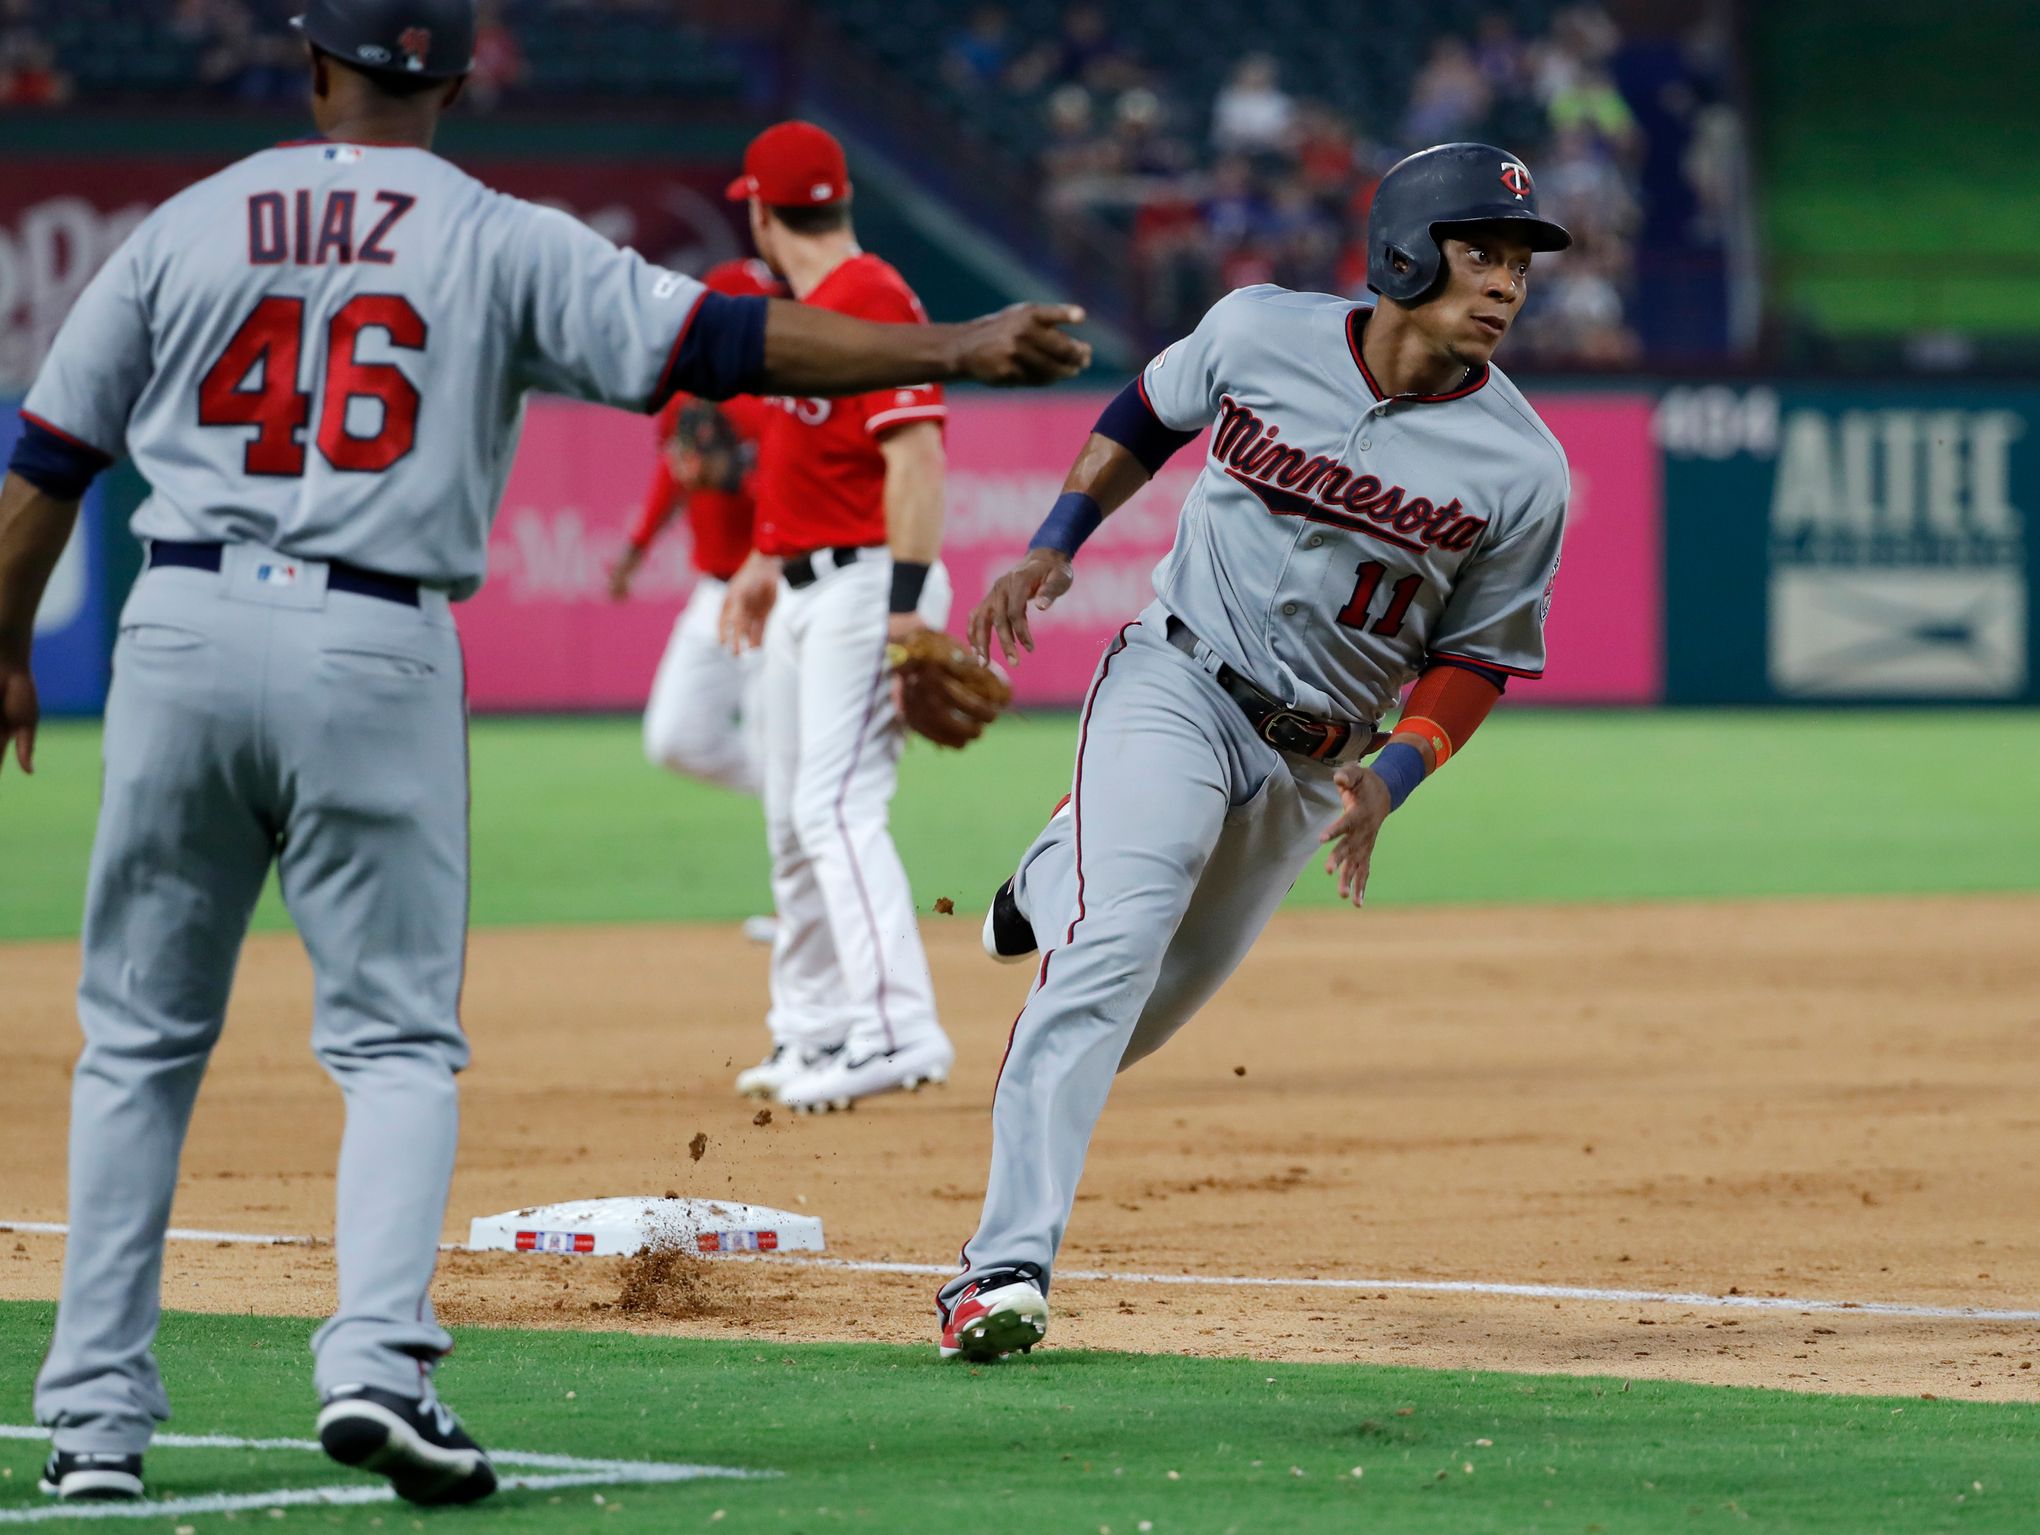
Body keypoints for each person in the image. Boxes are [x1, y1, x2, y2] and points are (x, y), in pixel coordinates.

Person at [0, 1, 1088, 1503]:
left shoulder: (191, 219)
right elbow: (723, 338)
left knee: (134, 1043)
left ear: (314, 71)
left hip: (178, 626)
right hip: (376, 638)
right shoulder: (494, 232)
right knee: (390, 1043)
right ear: (453, 78)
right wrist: (950, 339)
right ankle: (376, 1364)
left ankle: (95, 1428)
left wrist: (4, 639)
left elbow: (49, 458)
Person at [936, 143, 1572, 1361]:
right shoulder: (1257, 331)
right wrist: (1055, 539)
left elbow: (1482, 657)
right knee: (1111, 950)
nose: (1504, 283)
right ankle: (1000, 1268)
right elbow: (1148, 409)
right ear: (1402, 252)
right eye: (1478, 251)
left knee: (1146, 1015)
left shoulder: (1522, 465)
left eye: (1519, 264)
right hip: (1178, 679)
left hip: (1316, 763)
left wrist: (1391, 779)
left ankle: (1048, 872)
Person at [715, 122, 960, 1114]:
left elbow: (918, 462)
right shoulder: (810, 306)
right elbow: (826, 468)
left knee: (835, 807)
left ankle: (900, 1028)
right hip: (805, 585)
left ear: (764, 213)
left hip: (870, 586)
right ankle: (813, 1029)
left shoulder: (870, 297)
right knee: (789, 816)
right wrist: (762, 562)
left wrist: (905, 613)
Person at [610, 258, 785, 799]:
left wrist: (735, 477)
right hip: (716, 590)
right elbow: (674, 474)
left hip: (779, 587)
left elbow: (797, 496)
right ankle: (801, 795)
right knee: (675, 737)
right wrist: (638, 545)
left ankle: (804, 801)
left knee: (777, 739)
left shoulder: (782, 395)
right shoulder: (688, 389)